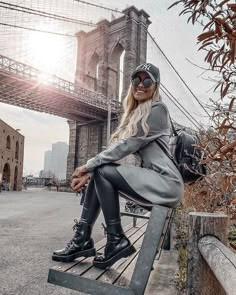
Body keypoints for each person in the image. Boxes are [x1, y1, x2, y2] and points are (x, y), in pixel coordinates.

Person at [52, 63, 184, 269]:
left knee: (101, 170)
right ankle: (84, 239)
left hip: (166, 183)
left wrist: (88, 166)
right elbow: (118, 154)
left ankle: (113, 240)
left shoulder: (159, 109)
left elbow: (127, 146)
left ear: (155, 86)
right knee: (101, 171)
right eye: (136, 80)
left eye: (147, 80)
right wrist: (91, 171)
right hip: (155, 183)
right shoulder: (139, 112)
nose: (141, 85)